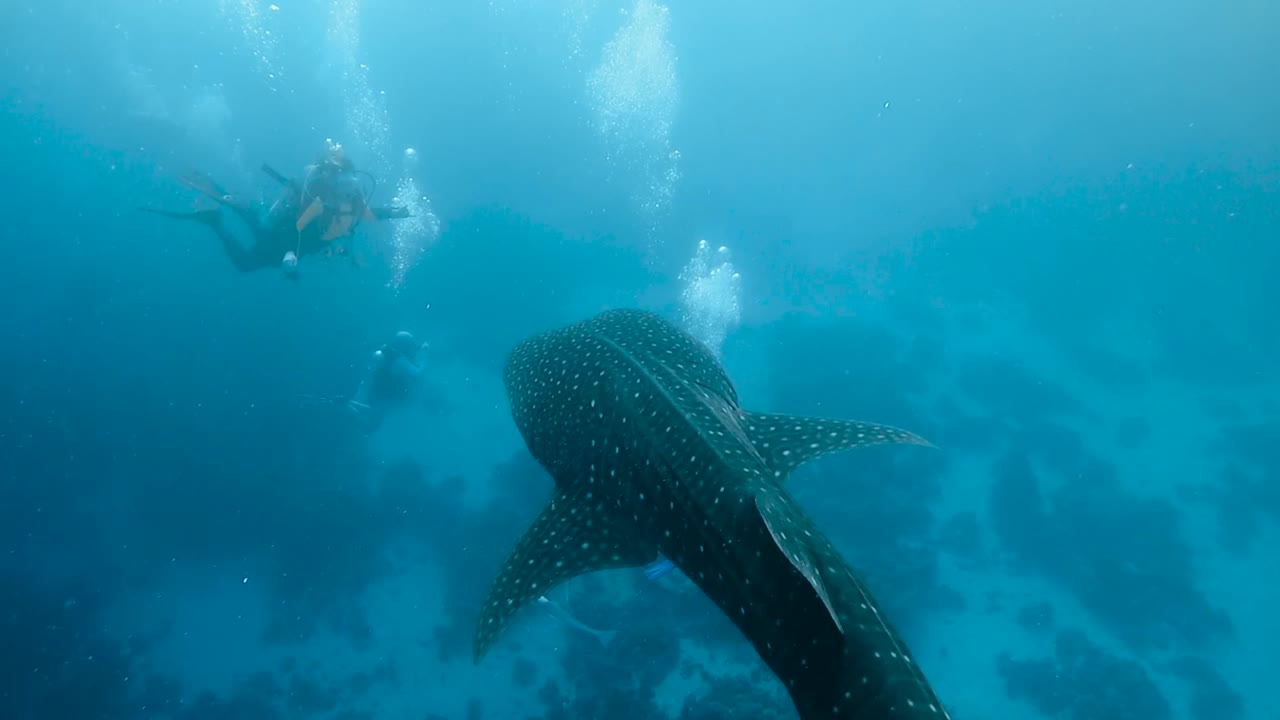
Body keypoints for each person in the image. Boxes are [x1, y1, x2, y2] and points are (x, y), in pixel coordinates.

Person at [141, 142, 410, 277]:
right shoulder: (324, 196)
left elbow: (367, 212)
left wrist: (395, 212)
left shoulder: (339, 197)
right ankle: (215, 220)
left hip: (277, 226)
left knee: (248, 214)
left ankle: (219, 200)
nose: (350, 188)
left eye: (351, 182)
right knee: (244, 263)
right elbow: (302, 228)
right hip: (280, 238)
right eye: (345, 181)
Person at [348, 331, 430, 432]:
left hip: (369, 389)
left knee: (362, 410)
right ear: (406, 345)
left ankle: (352, 414)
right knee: (373, 420)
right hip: (384, 396)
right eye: (410, 343)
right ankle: (360, 431)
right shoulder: (401, 361)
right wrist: (425, 358)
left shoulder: (379, 353)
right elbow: (416, 373)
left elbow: (371, 371)